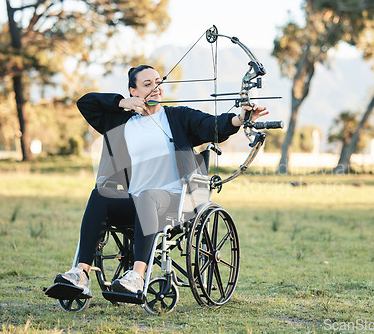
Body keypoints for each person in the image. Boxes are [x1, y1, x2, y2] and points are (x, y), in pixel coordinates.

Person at [53, 65, 268, 297]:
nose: (156, 88)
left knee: (148, 196)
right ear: (132, 91)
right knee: (100, 194)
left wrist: (239, 118)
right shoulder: (121, 123)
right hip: (136, 201)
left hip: (175, 203)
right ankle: (81, 274)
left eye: (158, 82)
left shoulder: (177, 117)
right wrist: (121, 103)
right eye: (147, 84)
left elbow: (211, 126)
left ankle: (136, 276)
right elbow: (86, 103)